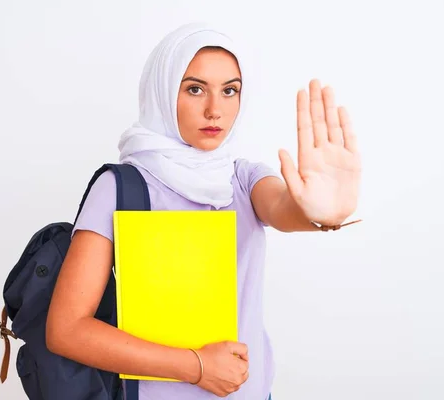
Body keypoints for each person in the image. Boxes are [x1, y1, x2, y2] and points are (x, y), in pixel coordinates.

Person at [45, 22, 361, 400]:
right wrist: (197, 367)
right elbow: (66, 329)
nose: (215, 110)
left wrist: (324, 214)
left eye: (230, 91)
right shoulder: (122, 187)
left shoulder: (242, 178)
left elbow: (283, 207)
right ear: (162, 91)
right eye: (195, 89)